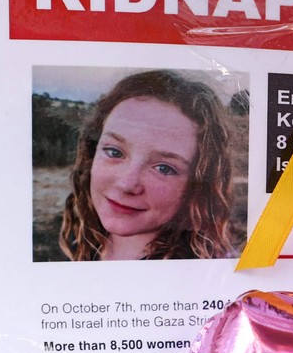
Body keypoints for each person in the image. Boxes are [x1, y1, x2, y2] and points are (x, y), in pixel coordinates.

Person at [58, 70, 237, 261]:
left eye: (164, 168)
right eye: (114, 152)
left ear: (198, 186)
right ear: (91, 153)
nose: (127, 184)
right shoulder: (80, 245)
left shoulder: (212, 276)